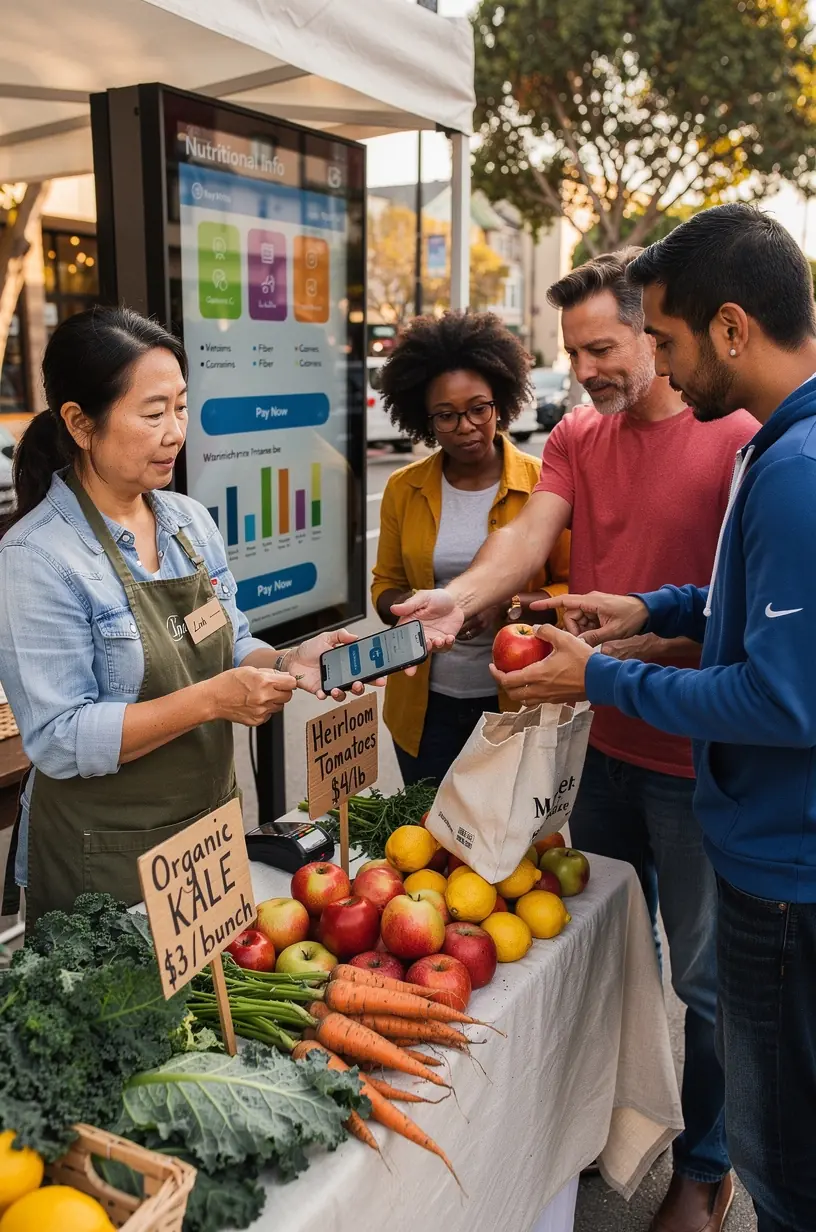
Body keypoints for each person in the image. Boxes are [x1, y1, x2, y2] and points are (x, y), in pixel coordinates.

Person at [393, 254, 758, 1232]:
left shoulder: (738, 436)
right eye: (573, 351)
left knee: (701, 980)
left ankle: (706, 1163)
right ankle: (607, 1115)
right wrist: (463, 595)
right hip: (592, 749)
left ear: (656, 332)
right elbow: (524, 541)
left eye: (603, 346)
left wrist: (617, 646)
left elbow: (733, 623)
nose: (588, 367)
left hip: (695, 760)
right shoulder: (577, 435)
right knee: (589, 951)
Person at [498, 205, 816, 1232]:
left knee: (787, 1164)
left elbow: (781, 697)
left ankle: (717, 1169)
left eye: (664, 340)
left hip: (781, 872)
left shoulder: (795, 470)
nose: (664, 370)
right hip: (766, 846)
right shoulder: (784, 447)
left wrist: (602, 677)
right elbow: (751, 615)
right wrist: (655, 609)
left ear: (730, 328)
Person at [0, 307, 371, 926]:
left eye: (181, 406)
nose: (177, 431)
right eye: (153, 413)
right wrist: (212, 701)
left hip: (204, 840)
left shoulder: (188, 522)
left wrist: (285, 663)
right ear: (80, 422)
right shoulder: (37, 557)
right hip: (106, 857)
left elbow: (231, 639)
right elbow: (59, 738)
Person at [371, 311, 570, 785]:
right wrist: (411, 610)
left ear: (500, 403)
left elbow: (573, 586)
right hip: (424, 707)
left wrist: (508, 606)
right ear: (425, 419)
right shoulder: (404, 488)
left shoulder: (544, 484)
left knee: (510, 847)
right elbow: (384, 587)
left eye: (478, 408)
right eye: (446, 415)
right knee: (425, 846)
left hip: (517, 698)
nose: (465, 426)